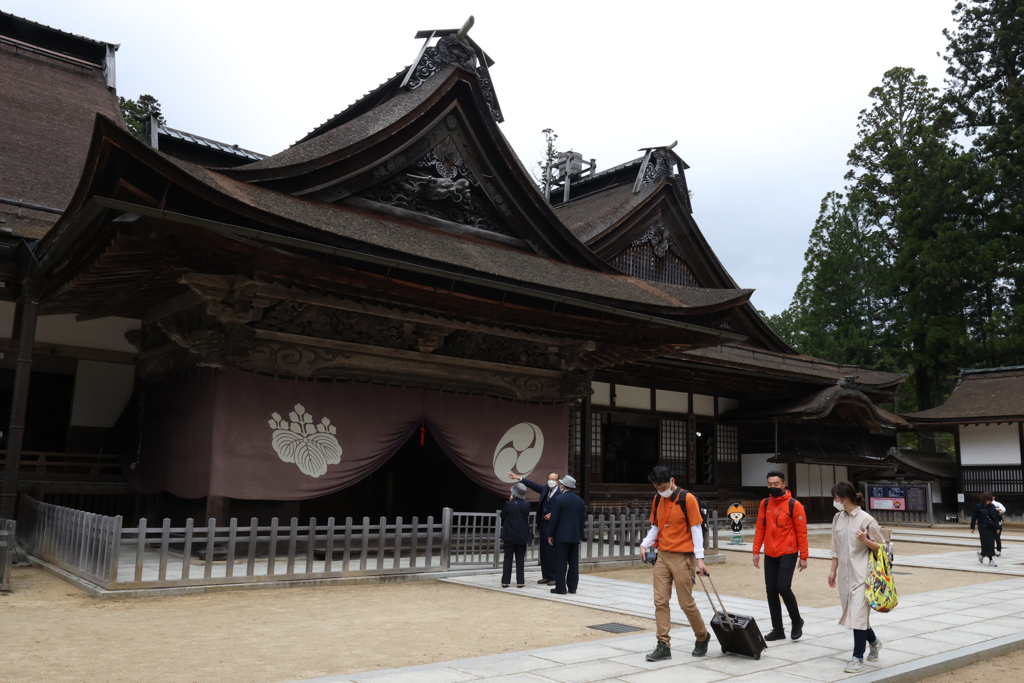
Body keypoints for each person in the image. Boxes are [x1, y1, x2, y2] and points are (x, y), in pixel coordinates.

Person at [640, 466, 711, 662]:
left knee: (686, 603)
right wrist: (645, 544)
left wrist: (700, 559)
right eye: (655, 486)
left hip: (683, 557)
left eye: (661, 486)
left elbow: (696, 529)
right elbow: (656, 525)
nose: (659, 489)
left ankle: (702, 636)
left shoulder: (687, 499)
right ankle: (663, 644)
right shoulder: (657, 498)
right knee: (660, 601)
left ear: (672, 480)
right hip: (662, 554)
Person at [829, 480, 883, 674]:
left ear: (844, 499)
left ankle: (857, 657)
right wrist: (833, 570)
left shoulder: (867, 520)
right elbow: (835, 547)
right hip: (844, 575)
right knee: (854, 616)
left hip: (863, 575)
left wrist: (865, 540)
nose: (834, 501)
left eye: (835, 498)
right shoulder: (837, 518)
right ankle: (874, 642)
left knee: (857, 615)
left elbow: (884, 548)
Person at [752, 470, 809, 641]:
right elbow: (760, 528)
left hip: (788, 552)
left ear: (784, 484)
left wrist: (803, 556)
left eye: (776, 484)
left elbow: (802, 532)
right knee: (771, 591)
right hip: (770, 553)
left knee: (783, 588)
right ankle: (778, 629)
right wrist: (756, 551)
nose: (772, 487)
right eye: (769, 484)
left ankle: (797, 621)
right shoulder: (765, 503)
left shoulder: (794, 505)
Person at [509, 470, 561, 584]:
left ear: (558, 482)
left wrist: (553, 514)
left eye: (553, 479)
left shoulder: (560, 494)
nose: (551, 481)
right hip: (542, 523)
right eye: (549, 479)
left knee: (551, 550)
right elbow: (533, 485)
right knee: (543, 550)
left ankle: (554, 577)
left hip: (552, 525)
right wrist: (519, 478)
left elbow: (563, 509)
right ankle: (546, 575)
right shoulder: (545, 489)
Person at [546, 475, 586, 595]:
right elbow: (581, 520)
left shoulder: (559, 499)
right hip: (574, 535)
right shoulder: (580, 501)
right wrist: (579, 534)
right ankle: (573, 587)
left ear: (563, 486)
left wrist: (550, 534)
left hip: (561, 535)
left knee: (561, 562)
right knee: (573, 562)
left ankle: (561, 588)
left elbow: (554, 519)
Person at [500, 483, 532, 588]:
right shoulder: (527, 505)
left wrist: (510, 501)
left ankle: (505, 581)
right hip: (522, 535)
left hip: (509, 534)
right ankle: (520, 581)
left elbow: (502, 515)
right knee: (520, 558)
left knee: (508, 557)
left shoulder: (508, 504)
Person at [970, 491, 999, 567]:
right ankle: (987, 557)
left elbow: (995, 517)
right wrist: (972, 527)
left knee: (991, 543)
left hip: (991, 527)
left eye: (989, 500)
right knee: (985, 542)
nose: (988, 501)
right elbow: (974, 517)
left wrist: (998, 527)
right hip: (982, 527)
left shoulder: (992, 506)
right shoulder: (978, 506)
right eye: (987, 500)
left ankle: (985, 556)